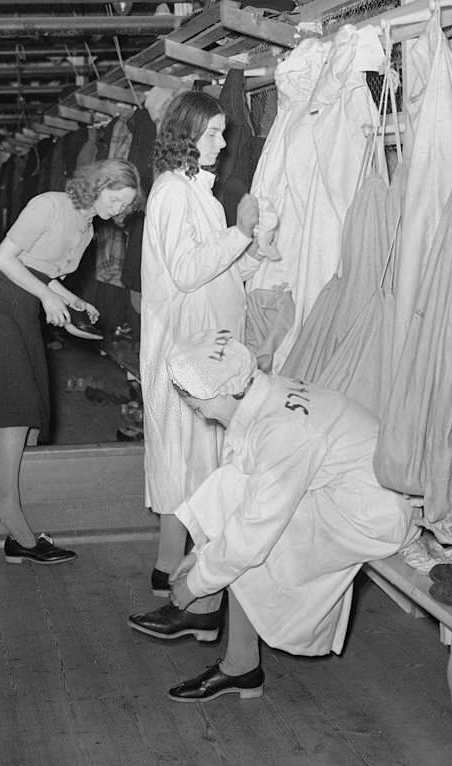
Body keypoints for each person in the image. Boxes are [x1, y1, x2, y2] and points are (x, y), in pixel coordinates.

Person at [131, 329, 414, 702]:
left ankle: (238, 663)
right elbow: (243, 479)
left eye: (192, 397)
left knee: (253, 547)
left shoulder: (282, 429)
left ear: (224, 389)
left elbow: (255, 528)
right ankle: (211, 618)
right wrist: (198, 556)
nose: (189, 406)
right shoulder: (264, 391)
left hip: (367, 515)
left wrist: (197, 581)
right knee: (228, 489)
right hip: (342, 491)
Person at [0, 158, 141, 564]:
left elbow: (48, 274)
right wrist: (50, 296)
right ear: (97, 185)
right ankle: (7, 507)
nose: (118, 209)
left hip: (24, 303)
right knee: (18, 405)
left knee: (31, 408)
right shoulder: (49, 204)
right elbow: (4, 258)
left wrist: (72, 299)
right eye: (115, 197)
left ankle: (15, 520)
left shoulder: (88, 228)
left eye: (125, 204)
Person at [139, 90, 262, 604]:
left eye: (222, 132)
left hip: (202, 345)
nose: (222, 142)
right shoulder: (171, 192)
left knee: (192, 459)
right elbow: (188, 272)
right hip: (182, 348)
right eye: (212, 133)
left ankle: (174, 568)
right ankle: (173, 570)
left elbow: (214, 265)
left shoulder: (198, 192)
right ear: (185, 135)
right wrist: (240, 234)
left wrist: (254, 252)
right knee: (180, 458)